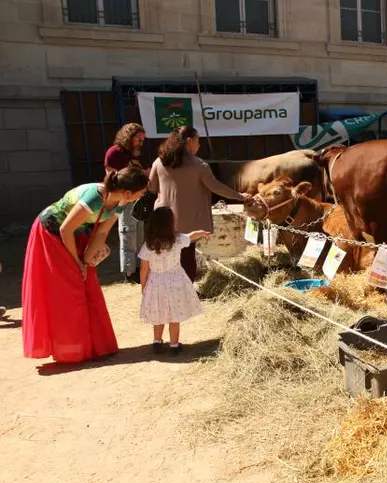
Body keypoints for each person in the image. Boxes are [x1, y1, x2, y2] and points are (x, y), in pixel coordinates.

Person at [22, 166, 149, 363]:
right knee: (70, 288)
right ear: (127, 192)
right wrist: (76, 263)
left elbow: (102, 232)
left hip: (74, 236)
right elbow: (65, 229)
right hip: (51, 234)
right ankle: (72, 350)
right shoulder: (93, 198)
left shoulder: (122, 201)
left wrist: (87, 261)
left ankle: (93, 346)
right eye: (140, 192)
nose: (142, 195)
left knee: (87, 283)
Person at [149, 126, 250, 282]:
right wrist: (239, 196)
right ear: (189, 141)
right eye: (198, 141)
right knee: (187, 257)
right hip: (187, 222)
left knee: (165, 256)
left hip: (163, 219)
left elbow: (152, 187)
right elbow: (216, 187)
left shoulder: (159, 162)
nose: (199, 145)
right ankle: (186, 289)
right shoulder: (199, 165)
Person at [139, 207, 209, 354]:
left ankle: (157, 342)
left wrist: (144, 286)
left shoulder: (148, 246)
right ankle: (174, 345)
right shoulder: (177, 241)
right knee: (174, 315)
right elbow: (191, 236)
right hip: (176, 282)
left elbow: (144, 269)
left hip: (155, 282)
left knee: (159, 313)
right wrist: (202, 233)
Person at [104, 123, 147, 284]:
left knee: (139, 232)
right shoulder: (115, 152)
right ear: (129, 137)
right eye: (138, 140)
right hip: (124, 197)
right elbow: (112, 177)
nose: (140, 143)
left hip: (137, 196)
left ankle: (137, 267)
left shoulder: (135, 153)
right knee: (128, 232)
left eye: (142, 140)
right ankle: (129, 271)